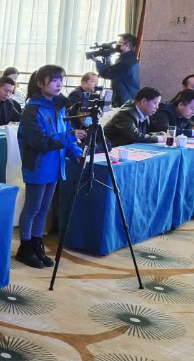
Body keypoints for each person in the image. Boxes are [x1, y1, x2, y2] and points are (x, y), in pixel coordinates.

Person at [15, 65, 86, 268]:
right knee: (32, 208)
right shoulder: (32, 110)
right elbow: (39, 142)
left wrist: (76, 154)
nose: (59, 84)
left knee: (44, 208)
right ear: (40, 83)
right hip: (38, 166)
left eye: (61, 79)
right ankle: (25, 247)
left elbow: (67, 137)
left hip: (55, 166)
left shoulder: (59, 108)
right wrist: (70, 136)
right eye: (54, 80)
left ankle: (37, 244)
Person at [95, 33, 140, 107]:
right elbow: (114, 70)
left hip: (125, 100)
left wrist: (98, 62)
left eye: (120, 42)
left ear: (127, 45)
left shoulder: (127, 62)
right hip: (125, 97)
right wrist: (108, 59)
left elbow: (108, 73)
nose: (117, 45)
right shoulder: (129, 59)